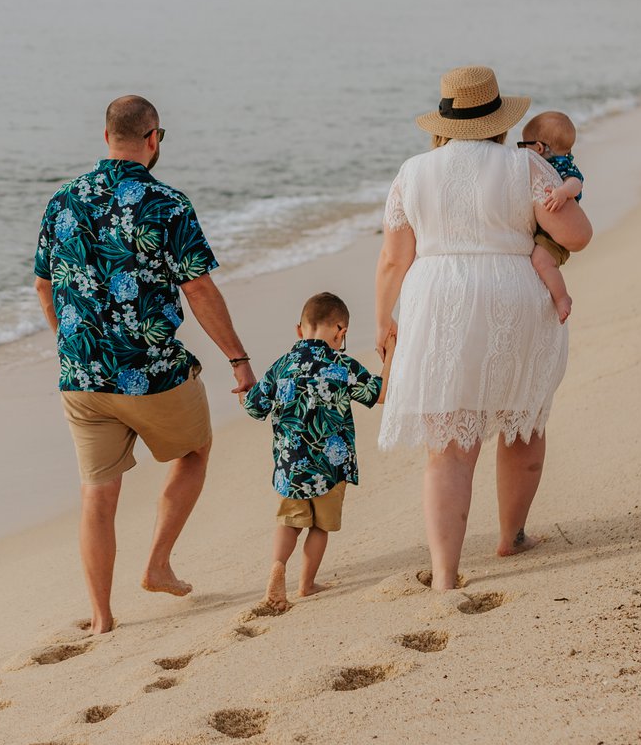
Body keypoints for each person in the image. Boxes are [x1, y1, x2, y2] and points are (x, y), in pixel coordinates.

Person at [33, 95, 256, 635]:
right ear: (153, 138)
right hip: (152, 373)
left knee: (97, 493)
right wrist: (239, 362)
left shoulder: (63, 200)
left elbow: (44, 283)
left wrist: (71, 343)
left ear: (105, 135)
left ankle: (102, 616)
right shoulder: (167, 204)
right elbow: (199, 289)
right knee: (195, 451)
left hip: (81, 377)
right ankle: (157, 564)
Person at [374, 66, 592, 592]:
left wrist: (384, 319)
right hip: (513, 292)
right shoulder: (529, 166)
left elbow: (392, 259)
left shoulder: (413, 170)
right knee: (522, 423)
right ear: (498, 119)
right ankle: (511, 536)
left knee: (448, 445)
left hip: (436, 298)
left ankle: (446, 575)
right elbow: (577, 234)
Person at [242, 291, 382, 610]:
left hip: (291, 465)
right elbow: (379, 394)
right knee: (319, 527)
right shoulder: (342, 364)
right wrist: (392, 355)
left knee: (290, 522)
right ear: (341, 331)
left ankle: (278, 570)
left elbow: (253, 408)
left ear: (299, 330)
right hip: (330, 467)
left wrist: (244, 392)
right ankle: (306, 584)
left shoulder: (281, 366)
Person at [520, 111, 586, 323]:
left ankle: (562, 298)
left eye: (523, 146)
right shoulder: (545, 164)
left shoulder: (562, 164)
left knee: (541, 262)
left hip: (553, 237)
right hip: (546, 229)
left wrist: (563, 192)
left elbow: (576, 182)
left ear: (538, 148)